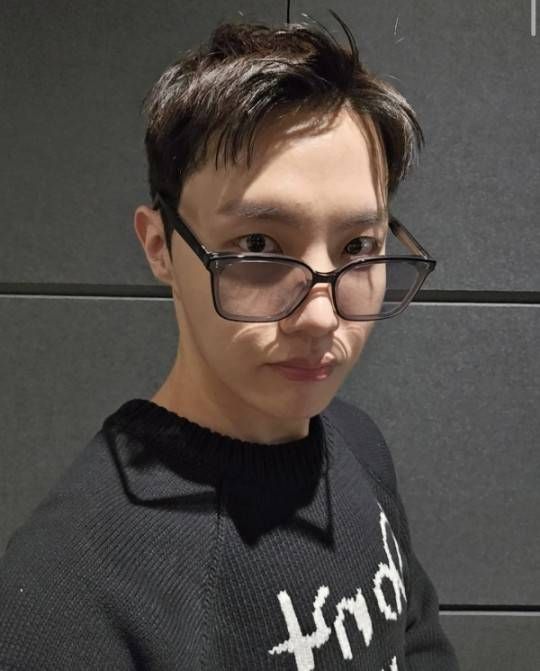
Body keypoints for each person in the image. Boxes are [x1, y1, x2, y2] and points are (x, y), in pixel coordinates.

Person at [0, 11, 460, 670]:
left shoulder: (359, 446)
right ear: (160, 245)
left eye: (358, 246)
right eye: (258, 245)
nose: (321, 318)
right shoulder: (66, 593)